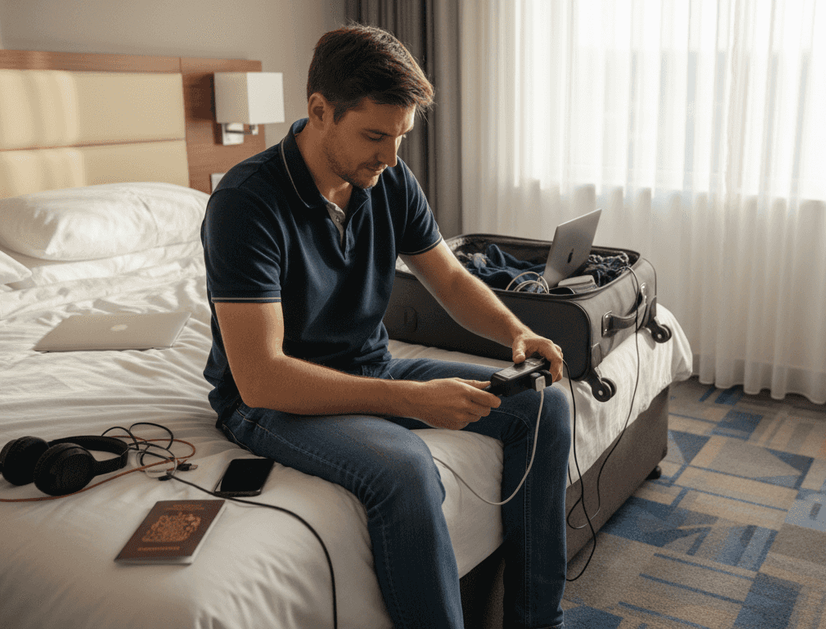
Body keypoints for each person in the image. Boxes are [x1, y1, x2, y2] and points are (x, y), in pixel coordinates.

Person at [201, 23, 569, 629]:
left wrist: (515, 333)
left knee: (544, 405)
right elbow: (262, 378)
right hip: (273, 402)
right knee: (404, 466)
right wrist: (415, 401)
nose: (391, 157)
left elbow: (448, 280)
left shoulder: (387, 177)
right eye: (375, 135)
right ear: (319, 111)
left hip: (368, 366)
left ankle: (537, 619)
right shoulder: (247, 203)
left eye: (400, 136)